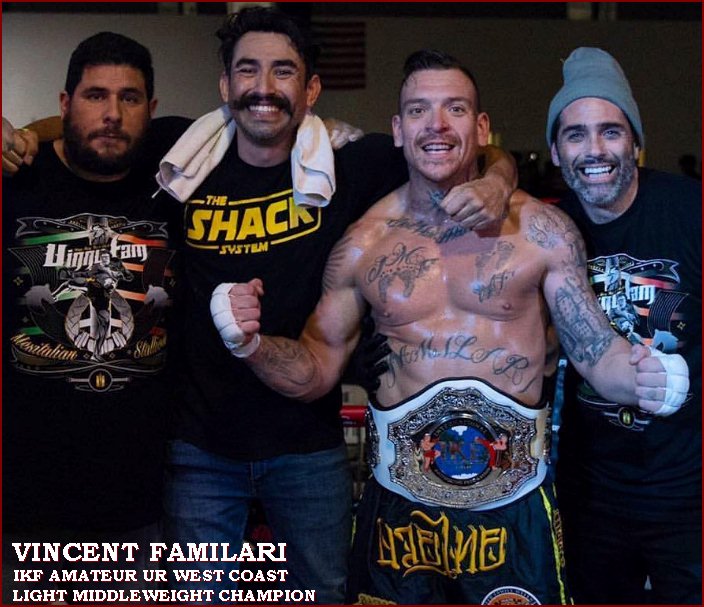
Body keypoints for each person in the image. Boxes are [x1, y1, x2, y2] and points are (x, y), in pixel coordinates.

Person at [210, 49, 689, 605]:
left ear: (481, 128)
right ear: (398, 129)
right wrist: (249, 344)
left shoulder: (543, 230)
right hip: (399, 511)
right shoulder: (363, 244)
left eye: (454, 109)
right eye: (419, 110)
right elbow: (316, 369)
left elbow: (594, 353)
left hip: (514, 508)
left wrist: (646, 377)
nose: (436, 125)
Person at [154, 7, 517, 604]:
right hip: (200, 446)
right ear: (224, 85)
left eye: (283, 71)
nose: (263, 87)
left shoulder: (351, 163)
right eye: (247, 70)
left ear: (312, 89)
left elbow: (458, 151)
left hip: (308, 444)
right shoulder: (183, 159)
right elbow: (79, 133)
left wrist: (497, 181)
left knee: (323, 595)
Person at [1, 32, 186, 602]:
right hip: (20, 510)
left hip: (139, 510)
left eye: (129, 98)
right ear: (64, 103)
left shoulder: (175, 183)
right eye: (94, 96)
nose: (112, 114)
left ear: (151, 110)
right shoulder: (16, 181)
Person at [547, 47, 702, 604]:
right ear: (556, 151)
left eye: (611, 132)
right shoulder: (549, 228)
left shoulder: (690, 210)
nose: (594, 150)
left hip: (689, 491)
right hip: (592, 497)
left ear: (635, 142)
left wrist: (684, 375)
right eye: (576, 135)